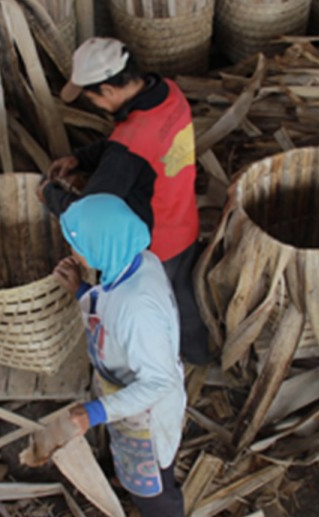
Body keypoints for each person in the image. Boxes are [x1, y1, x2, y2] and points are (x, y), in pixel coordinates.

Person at [38, 36, 211, 366]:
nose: (96, 106)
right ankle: (201, 354)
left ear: (107, 91)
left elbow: (91, 212)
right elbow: (127, 144)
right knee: (185, 296)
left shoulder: (128, 147)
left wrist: (50, 195)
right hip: (185, 219)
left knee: (158, 305)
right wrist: (79, 159)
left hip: (155, 241)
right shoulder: (168, 92)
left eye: (92, 99)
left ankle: (162, 363)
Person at [48, 194, 194, 517]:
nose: (75, 251)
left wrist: (94, 413)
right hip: (126, 397)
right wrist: (81, 290)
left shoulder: (137, 310)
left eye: (78, 244)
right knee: (136, 469)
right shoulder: (137, 262)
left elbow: (160, 382)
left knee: (156, 495)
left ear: (104, 245)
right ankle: (128, 478)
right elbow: (110, 303)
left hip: (148, 413)